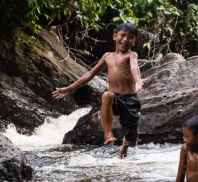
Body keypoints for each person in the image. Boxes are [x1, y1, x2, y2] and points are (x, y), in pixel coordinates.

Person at [53, 23, 145, 158]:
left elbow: (134, 67)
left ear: (134, 41)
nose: (125, 39)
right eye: (122, 35)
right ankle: (108, 134)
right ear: (115, 36)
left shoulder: (132, 55)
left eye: (130, 37)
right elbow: (89, 74)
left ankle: (125, 145)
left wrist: (138, 80)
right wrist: (69, 88)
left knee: (132, 142)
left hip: (130, 99)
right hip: (114, 98)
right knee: (106, 95)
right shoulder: (107, 56)